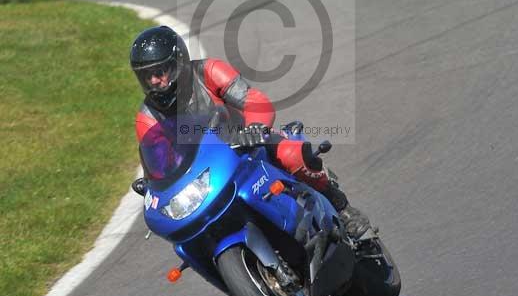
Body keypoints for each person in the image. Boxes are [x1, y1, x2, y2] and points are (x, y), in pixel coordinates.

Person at [130, 25, 371, 238]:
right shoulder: (147, 118)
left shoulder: (207, 71)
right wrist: (154, 185)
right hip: (207, 173)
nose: (154, 82)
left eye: (160, 72)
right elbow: (160, 163)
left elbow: (252, 98)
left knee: (291, 155)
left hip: (248, 144)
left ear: (179, 63)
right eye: (147, 76)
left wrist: (255, 127)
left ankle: (342, 208)